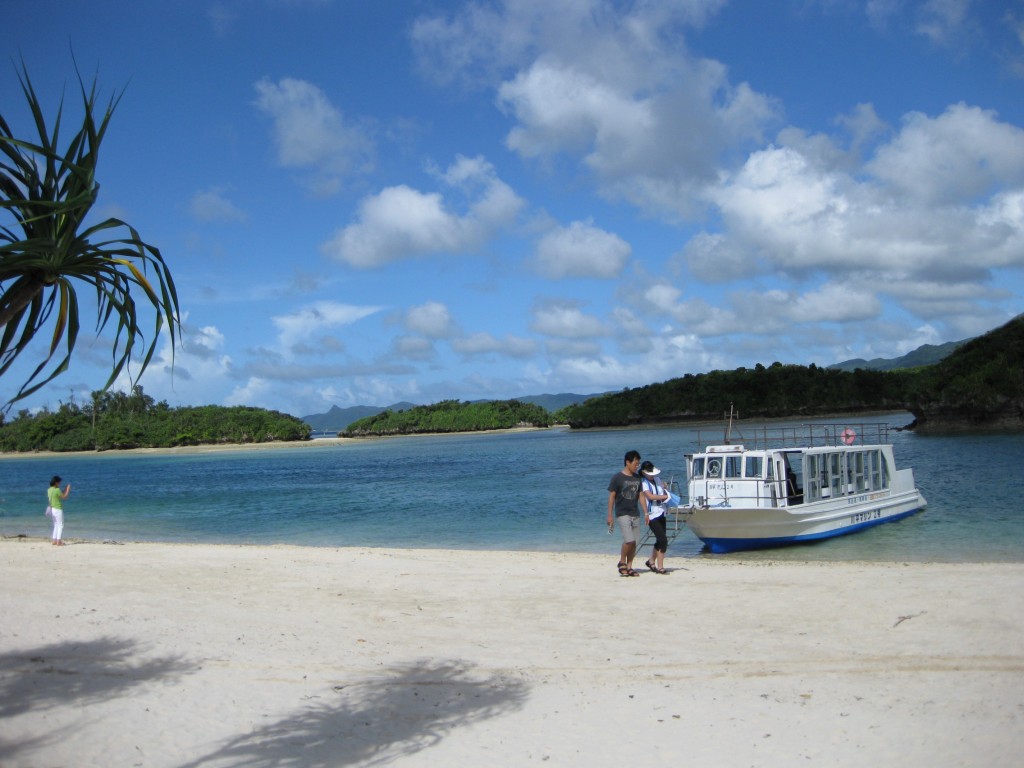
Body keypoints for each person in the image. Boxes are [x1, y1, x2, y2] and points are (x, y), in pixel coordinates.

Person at [607, 450, 648, 577]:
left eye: (638, 464)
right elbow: (612, 496)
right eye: (636, 464)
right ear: (628, 462)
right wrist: (609, 515)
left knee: (634, 542)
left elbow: (641, 496)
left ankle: (629, 566)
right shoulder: (617, 478)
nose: (637, 466)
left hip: (635, 513)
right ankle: (621, 561)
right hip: (622, 513)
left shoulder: (637, 478)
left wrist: (646, 513)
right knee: (629, 540)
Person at [640, 461, 670, 574]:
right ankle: (660, 566)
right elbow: (650, 496)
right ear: (644, 473)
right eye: (650, 473)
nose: (652, 475)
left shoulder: (657, 479)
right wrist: (666, 496)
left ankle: (651, 561)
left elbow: (661, 487)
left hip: (662, 511)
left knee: (660, 540)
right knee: (663, 540)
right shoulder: (643, 483)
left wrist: (664, 486)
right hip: (652, 514)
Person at [47, 475, 71, 546]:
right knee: (60, 525)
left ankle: (54, 540)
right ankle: (58, 541)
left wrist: (65, 489)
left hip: (52, 509)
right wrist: (68, 490)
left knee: (56, 525)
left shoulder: (49, 490)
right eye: (59, 483)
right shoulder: (57, 490)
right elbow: (64, 497)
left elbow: (60, 494)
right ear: (56, 483)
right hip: (58, 509)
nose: (59, 484)